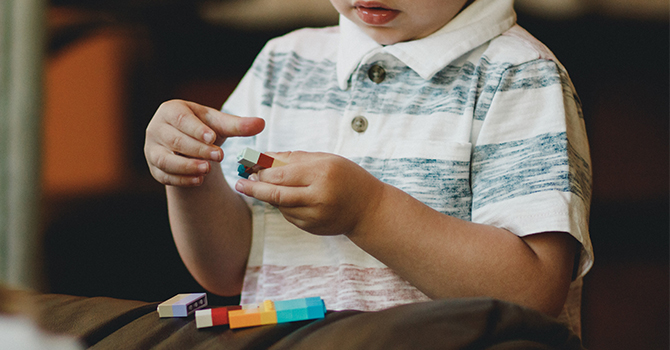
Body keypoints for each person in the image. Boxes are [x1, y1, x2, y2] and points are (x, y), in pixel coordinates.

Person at [144, 0, 593, 335]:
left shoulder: (518, 74)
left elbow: (534, 293)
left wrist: (370, 212)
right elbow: (227, 269)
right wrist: (190, 172)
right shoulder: (284, 62)